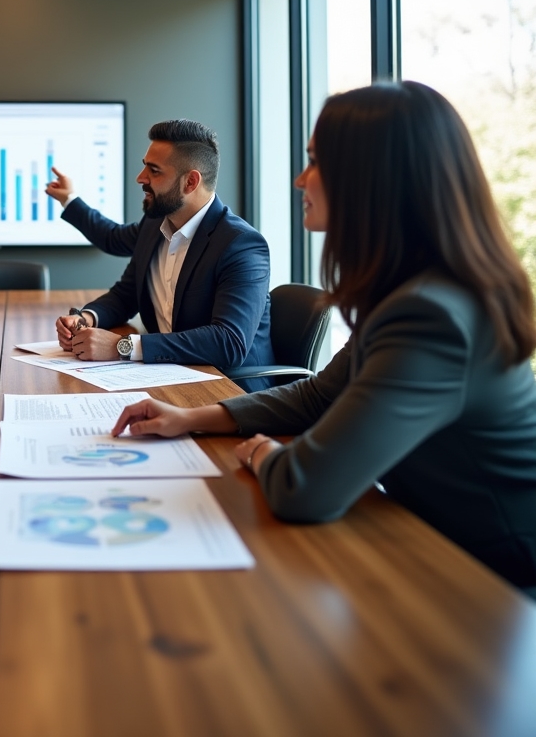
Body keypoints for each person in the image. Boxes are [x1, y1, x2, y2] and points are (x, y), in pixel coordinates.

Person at [112, 82, 536, 595]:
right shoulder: (414, 294)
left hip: (492, 580)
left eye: (316, 161)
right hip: (429, 544)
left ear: (370, 179)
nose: (300, 179)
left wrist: (260, 452)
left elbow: (303, 489)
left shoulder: (431, 315)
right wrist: (190, 418)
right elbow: (319, 393)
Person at [54, 120, 274, 386]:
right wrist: (86, 318)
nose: (140, 178)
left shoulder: (242, 245)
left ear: (190, 181)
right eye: (145, 165)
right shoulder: (154, 225)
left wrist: (123, 346)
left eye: (154, 171)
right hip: (167, 377)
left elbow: (230, 342)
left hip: (228, 389)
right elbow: (126, 294)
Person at [45, 166, 139, 257]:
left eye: (153, 170)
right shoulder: (150, 225)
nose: (140, 178)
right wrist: (68, 198)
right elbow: (112, 238)